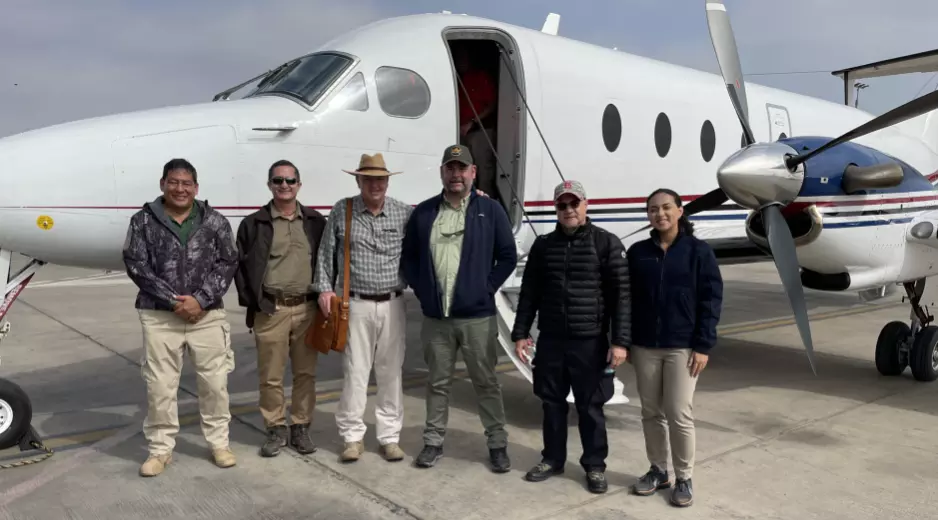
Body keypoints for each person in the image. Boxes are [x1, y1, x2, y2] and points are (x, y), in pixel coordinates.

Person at [402, 144, 518, 472]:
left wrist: (485, 288)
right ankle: (433, 441)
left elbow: (507, 255)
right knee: (437, 383)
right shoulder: (424, 213)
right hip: (437, 318)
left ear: (473, 173)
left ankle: (497, 444)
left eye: (462, 168)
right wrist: (423, 291)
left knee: (486, 382)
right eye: (450, 168)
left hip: (477, 318)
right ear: (442, 172)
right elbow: (409, 258)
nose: (456, 174)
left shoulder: (490, 210)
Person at [510, 179, 630, 494]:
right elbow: (529, 294)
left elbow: (622, 298)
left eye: (573, 203)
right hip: (550, 340)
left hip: (589, 342)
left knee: (591, 406)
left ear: (585, 205)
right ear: (556, 209)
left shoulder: (606, 243)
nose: (568, 210)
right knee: (551, 403)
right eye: (562, 205)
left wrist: (620, 342)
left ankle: (594, 465)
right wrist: (521, 332)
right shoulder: (543, 245)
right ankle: (552, 459)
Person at [122, 158, 239, 477]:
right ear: (163, 184)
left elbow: (228, 261)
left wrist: (200, 300)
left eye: (186, 183)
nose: (180, 188)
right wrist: (174, 301)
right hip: (160, 316)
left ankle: (219, 443)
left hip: (207, 316)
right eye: (174, 182)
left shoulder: (213, 220)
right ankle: (160, 450)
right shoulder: (143, 221)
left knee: (215, 384)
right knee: (160, 386)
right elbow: (136, 263)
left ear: (196, 188)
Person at [625, 188, 723, 508]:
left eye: (667, 207)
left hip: (682, 347)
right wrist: (624, 341)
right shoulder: (638, 252)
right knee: (651, 412)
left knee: (679, 412)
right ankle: (658, 470)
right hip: (645, 346)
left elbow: (711, 301)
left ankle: (683, 476)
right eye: (653, 209)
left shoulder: (699, 252)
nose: (660, 214)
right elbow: (625, 300)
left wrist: (703, 345)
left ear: (680, 211)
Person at [312, 153, 413, 463]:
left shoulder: (403, 213)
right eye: (368, 179)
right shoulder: (344, 209)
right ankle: (352, 437)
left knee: (390, 373)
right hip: (354, 304)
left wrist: (476, 196)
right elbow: (326, 252)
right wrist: (324, 289)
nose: (375, 185)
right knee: (355, 373)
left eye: (380, 179)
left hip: (393, 303)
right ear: (358, 181)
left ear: (388, 181)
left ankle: (389, 437)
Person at [234, 159, 326, 458]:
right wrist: (255, 302)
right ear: (269, 185)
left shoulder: (314, 221)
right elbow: (240, 267)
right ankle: (275, 428)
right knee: (271, 376)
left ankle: (300, 426)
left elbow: (327, 261)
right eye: (278, 181)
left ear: (299, 184)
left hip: (307, 309)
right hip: (270, 310)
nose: (284, 186)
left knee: (305, 374)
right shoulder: (254, 224)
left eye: (289, 180)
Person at [453, 43, 498, 200]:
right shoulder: (457, 80)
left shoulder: (481, 77)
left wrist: (472, 122)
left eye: (462, 58)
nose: (460, 62)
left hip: (481, 131)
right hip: (462, 131)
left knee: (483, 173)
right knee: (465, 171)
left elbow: (492, 104)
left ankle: (487, 205)